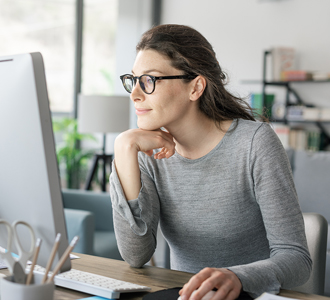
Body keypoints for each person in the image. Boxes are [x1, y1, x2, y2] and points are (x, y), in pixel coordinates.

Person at [109, 24, 311, 300]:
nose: (135, 94)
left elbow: (297, 259)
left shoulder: (254, 144)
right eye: (133, 80)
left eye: (150, 80)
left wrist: (237, 277)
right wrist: (123, 149)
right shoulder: (148, 153)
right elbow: (136, 255)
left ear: (196, 87)